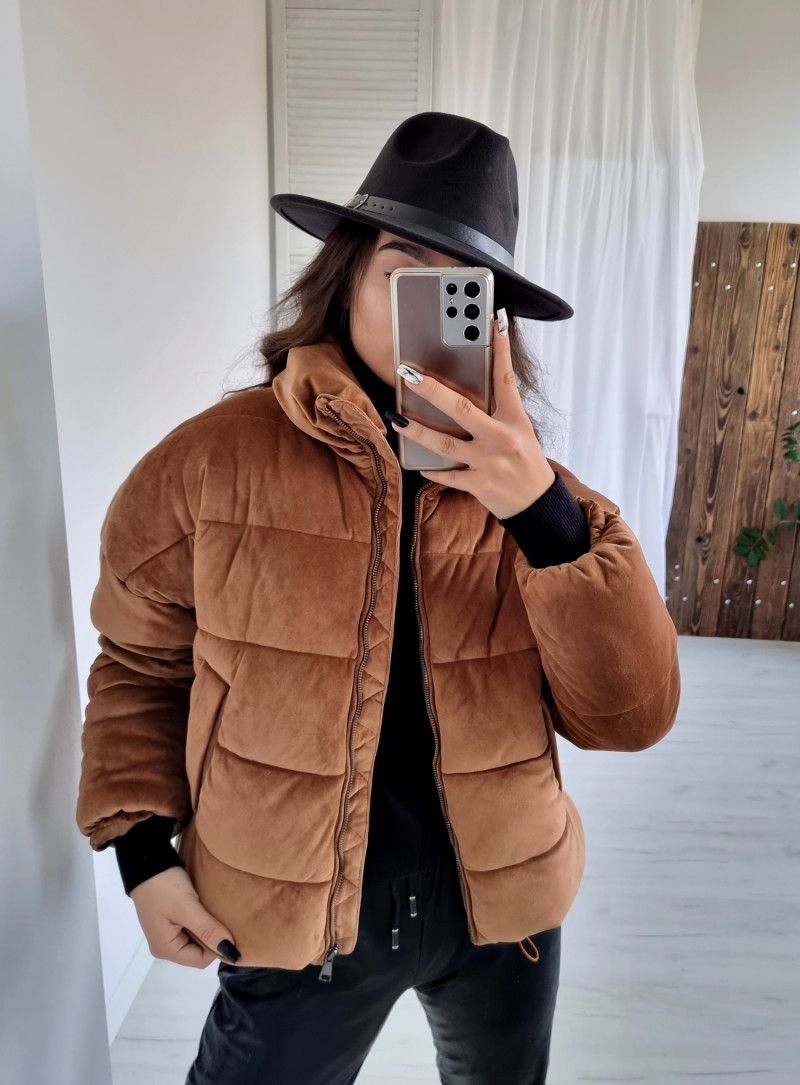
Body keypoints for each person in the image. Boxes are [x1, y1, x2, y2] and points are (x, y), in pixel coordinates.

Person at [76, 111, 680, 1084]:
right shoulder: (209, 465)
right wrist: (142, 853)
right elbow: (138, 666)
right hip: (289, 912)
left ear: (492, 319)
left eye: (459, 286)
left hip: (502, 914)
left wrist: (540, 513)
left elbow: (629, 716)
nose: (424, 306)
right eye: (404, 267)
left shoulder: (543, 497)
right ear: (346, 273)